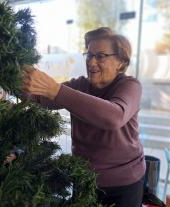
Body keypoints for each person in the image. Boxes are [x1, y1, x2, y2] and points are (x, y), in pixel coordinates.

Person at [21, 27, 145, 207]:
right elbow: (40, 99)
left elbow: (114, 117)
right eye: (88, 55)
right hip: (84, 177)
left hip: (124, 185)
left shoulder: (130, 86)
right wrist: (18, 84)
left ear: (120, 62)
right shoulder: (79, 85)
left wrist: (56, 90)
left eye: (100, 56)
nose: (91, 62)